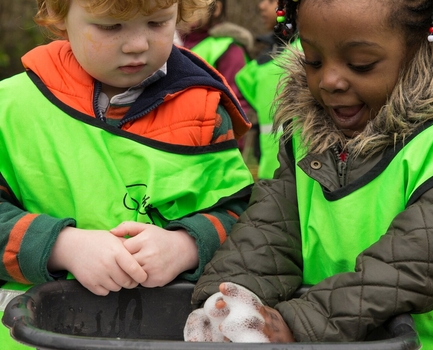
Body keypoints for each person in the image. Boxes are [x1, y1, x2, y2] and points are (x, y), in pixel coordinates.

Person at [186, 0, 433, 348]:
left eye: (360, 64)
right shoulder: (307, 139)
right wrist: (228, 301)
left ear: (427, 53)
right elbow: (268, 232)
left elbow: (415, 263)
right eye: (313, 60)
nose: (329, 81)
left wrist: (299, 324)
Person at [0, 0, 254, 348]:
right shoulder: (10, 108)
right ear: (61, 19)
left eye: (157, 23)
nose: (137, 44)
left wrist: (187, 245)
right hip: (33, 335)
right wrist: (60, 246)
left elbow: (246, 217)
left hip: (168, 331)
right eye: (110, 26)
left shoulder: (205, 113)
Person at [180, 0, 254, 151]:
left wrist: (232, 144)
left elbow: (237, 102)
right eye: (183, 4)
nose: (186, 10)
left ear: (216, 9)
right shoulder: (173, 46)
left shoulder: (228, 48)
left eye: (194, 6)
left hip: (215, 144)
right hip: (179, 140)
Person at [235, 0, 295, 179]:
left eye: (270, 1)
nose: (261, 6)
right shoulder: (261, 64)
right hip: (273, 174)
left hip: (292, 175)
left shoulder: (306, 55)